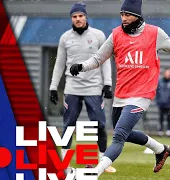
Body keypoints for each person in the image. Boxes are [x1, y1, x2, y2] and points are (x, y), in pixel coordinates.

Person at [69, 0, 170, 176]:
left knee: (118, 136)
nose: (123, 18)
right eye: (122, 14)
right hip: (121, 94)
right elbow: (98, 59)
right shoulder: (116, 34)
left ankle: (94, 173)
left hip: (142, 94)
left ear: (137, 15)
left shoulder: (155, 33)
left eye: (127, 14)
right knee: (125, 133)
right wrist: (81, 66)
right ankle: (160, 149)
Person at [49, 2, 116, 174]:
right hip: (72, 88)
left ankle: (103, 161)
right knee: (69, 125)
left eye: (80, 16)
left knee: (100, 125)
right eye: (74, 16)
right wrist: (53, 87)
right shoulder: (65, 38)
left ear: (85, 16)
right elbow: (59, 63)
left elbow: (105, 60)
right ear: (71, 18)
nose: (78, 19)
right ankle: (64, 162)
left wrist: (108, 83)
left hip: (94, 88)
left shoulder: (98, 35)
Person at [156, 68, 170, 137]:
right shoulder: (160, 82)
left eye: (169, 74)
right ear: (164, 74)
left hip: (169, 104)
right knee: (161, 118)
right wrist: (158, 102)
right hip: (161, 103)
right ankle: (160, 131)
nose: (168, 75)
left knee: (169, 118)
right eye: (167, 73)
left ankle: (169, 131)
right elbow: (157, 93)